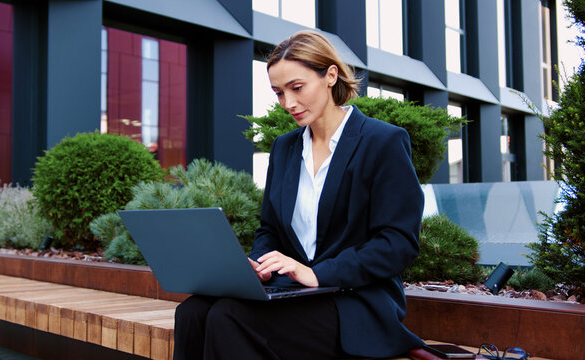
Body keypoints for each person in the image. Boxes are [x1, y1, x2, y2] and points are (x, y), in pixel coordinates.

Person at [174, 30, 424, 360]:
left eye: (297, 87)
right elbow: (270, 230)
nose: (287, 103)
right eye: (279, 92)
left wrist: (318, 273)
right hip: (294, 294)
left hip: (354, 301)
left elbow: (398, 242)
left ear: (330, 75)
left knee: (229, 317)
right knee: (191, 313)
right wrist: (260, 263)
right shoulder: (285, 148)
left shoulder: (382, 142)